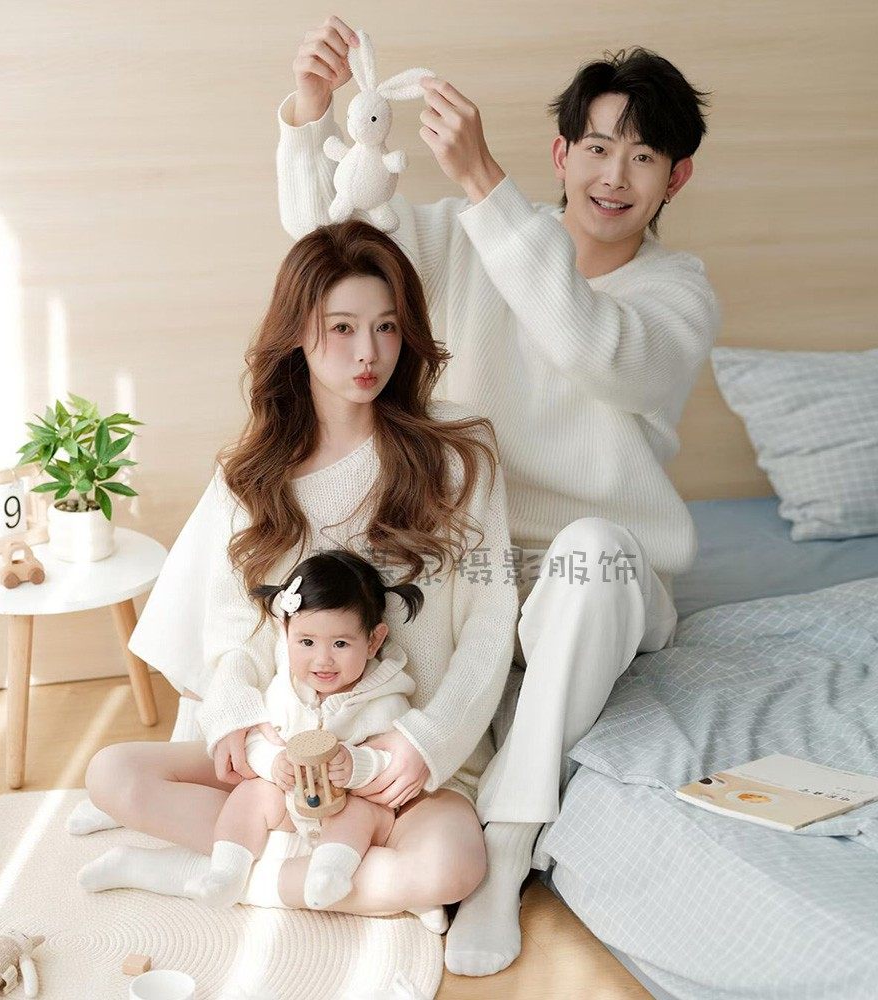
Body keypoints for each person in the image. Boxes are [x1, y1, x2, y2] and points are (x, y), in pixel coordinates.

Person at [279, 16, 722, 976]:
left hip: (604, 578)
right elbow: (330, 255)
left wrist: (486, 182)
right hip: (472, 562)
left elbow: (593, 346)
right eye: (596, 147)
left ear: (675, 178)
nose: (614, 175)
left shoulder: (678, 294)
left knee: (591, 549)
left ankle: (509, 846)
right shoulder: (464, 236)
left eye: (644, 157)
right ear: (561, 154)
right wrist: (308, 120)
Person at [75, 219, 519, 929]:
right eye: (342, 328)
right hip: (284, 759)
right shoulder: (252, 476)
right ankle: (322, 874)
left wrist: (426, 741)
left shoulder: (459, 455)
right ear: (298, 334)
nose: (368, 352)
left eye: (386, 327)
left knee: (452, 867)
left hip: (398, 771)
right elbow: (231, 638)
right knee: (111, 773)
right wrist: (243, 725)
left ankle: (207, 871)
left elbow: (492, 621)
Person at [187, 549, 431, 922]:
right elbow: (258, 740)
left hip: (351, 811)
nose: (322, 660)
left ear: (373, 641)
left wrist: (357, 766)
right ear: (286, 633)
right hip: (292, 805)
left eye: (340, 644)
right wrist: (274, 763)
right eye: (307, 643)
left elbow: (393, 761)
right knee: (249, 795)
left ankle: (329, 872)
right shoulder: (284, 690)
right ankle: (227, 872)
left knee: (360, 811)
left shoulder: (385, 698)